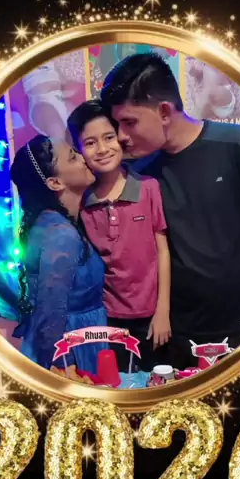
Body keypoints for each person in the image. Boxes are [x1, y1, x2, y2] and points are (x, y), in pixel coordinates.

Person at [100, 52, 240, 370]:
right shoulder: (140, 172)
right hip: (176, 332)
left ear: (163, 111)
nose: (121, 136)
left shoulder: (238, 144)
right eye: (117, 124)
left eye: (129, 122)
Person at [67, 99, 171, 373]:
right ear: (79, 150)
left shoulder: (148, 187)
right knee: (115, 383)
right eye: (90, 143)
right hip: (106, 317)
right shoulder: (83, 201)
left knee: (153, 382)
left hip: (151, 316)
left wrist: (163, 311)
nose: (102, 149)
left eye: (108, 137)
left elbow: (162, 251)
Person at [10, 134, 107, 381]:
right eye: (73, 157)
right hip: (72, 348)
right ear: (55, 183)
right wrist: (64, 368)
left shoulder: (53, 223)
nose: (84, 159)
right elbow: (51, 311)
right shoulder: (60, 234)